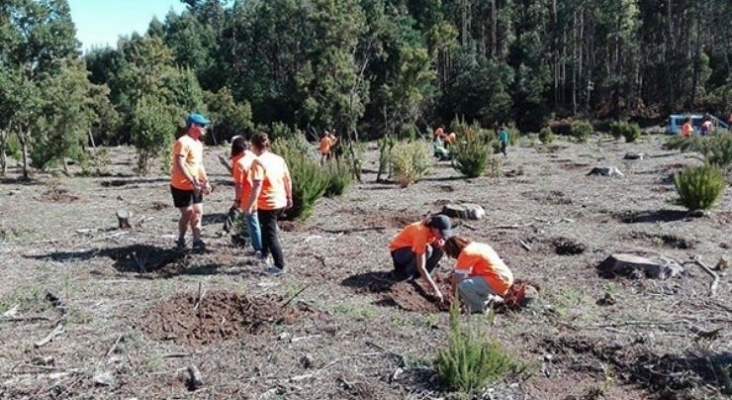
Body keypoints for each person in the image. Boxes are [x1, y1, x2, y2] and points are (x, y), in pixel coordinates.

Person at [242, 132, 292, 276]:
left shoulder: (258, 162)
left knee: (270, 234)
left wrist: (250, 204)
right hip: (280, 200)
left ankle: (279, 265)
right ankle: (264, 254)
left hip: (268, 203)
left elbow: (257, 184)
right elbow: (287, 179)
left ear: (254, 146)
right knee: (265, 229)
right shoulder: (278, 159)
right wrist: (289, 196)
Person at [170, 113, 212, 251]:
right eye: (202, 125)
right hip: (181, 185)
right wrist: (191, 180)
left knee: (198, 211)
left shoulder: (198, 144)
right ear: (193, 126)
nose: (205, 128)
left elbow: (199, 165)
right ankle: (181, 238)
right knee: (187, 212)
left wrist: (205, 181)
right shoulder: (183, 142)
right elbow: (180, 163)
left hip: (196, 185)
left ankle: (197, 241)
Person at [388, 214, 453, 302]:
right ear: (434, 227)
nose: (442, 236)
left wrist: (439, 242)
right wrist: (436, 290)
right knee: (427, 250)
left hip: (411, 250)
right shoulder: (420, 233)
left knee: (440, 248)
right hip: (399, 254)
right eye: (441, 233)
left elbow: (435, 240)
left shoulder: (432, 230)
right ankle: (407, 273)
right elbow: (421, 267)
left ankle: (425, 274)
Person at [442, 236, 514, 314]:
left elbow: (457, 279)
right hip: (506, 277)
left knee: (463, 285)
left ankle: (478, 309)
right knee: (471, 283)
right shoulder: (480, 246)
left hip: (497, 280)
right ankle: (491, 300)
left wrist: (455, 295)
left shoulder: (466, 252)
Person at [230, 137, 262, 256]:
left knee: (253, 223)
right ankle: (266, 244)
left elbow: (239, 185)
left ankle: (259, 249)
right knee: (262, 221)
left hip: (248, 197)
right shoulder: (254, 157)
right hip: (261, 195)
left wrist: (237, 200)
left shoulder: (240, 163)